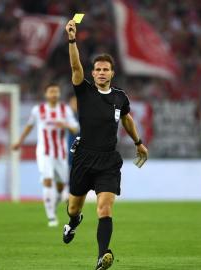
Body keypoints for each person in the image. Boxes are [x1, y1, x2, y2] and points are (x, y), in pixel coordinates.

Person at [63, 20, 149, 270]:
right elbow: (74, 65)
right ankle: (73, 221)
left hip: (108, 161)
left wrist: (138, 142)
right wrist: (71, 40)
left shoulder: (120, 97)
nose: (101, 73)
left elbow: (127, 118)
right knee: (73, 207)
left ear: (112, 73)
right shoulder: (84, 91)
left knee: (105, 208)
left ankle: (103, 255)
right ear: (92, 73)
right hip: (83, 158)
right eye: (97, 69)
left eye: (105, 70)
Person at [12, 84, 79, 227]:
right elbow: (29, 126)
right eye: (51, 91)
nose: (54, 94)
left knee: (61, 187)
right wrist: (19, 141)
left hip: (61, 153)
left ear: (59, 94)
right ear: (46, 94)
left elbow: (75, 128)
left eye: (56, 91)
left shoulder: (65, 110)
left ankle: (52, 205)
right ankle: (51, 217)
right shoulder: (38, 110)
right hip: (44, 152)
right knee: (47, 180)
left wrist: (65, 125)